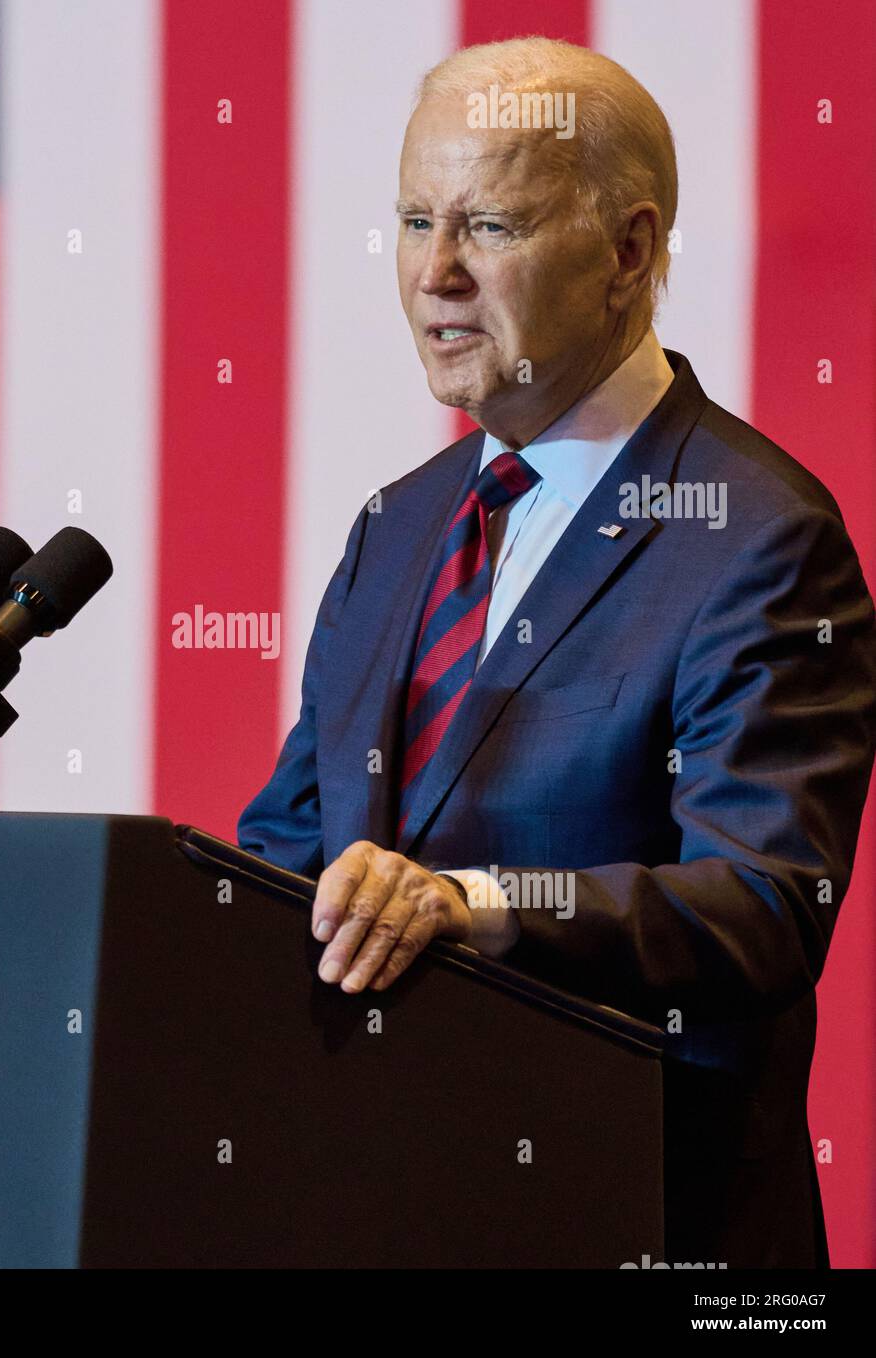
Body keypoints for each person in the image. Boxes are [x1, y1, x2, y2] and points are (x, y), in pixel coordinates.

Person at [237, 36, 876, 1268]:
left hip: (638, 1223)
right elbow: (287, 854)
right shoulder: (400, 522)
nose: (435, 274)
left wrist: (474, 908)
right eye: (416, 220)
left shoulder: (757, 534)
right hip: (381, 1212)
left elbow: (759, 904)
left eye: (488, 225)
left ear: (629, 251)